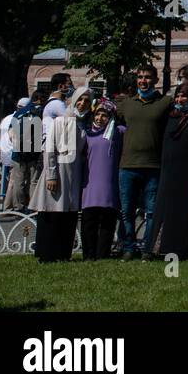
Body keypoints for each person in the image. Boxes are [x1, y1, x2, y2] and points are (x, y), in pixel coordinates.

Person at [114, 65, 173, 259]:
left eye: (147, 77)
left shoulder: (165, 103)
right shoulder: (126, 104)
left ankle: (148, 248)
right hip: (128, 165)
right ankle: (129, 247)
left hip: (153, 166)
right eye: (140, 77)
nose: (143, 81)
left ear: (155, 80)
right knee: (126, 211)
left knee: (151, 212)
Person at [147, 82, 188, 258]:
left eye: (184, 96)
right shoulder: (170, 117)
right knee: (164, 209)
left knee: (183, 211)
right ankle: (160, 247)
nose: (180, 99)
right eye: (178, 96)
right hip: (168, 170)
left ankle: (181, 248)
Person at [31, 86, 92, 263]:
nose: (82, 104)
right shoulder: (61, 121)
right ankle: (47, 254)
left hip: (74, 175)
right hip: (58, 171)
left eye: (86, 101)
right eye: (79, 100)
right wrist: (51, 174)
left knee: (68, 214)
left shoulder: (84, 124)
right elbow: (49, 149)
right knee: (52, 212)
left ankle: (63, 253)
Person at [79, 97, 123, 260]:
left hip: (109, 186)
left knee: (107, 224)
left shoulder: (118, 132)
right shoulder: (87, 133)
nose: (100, 118)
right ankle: (88, 255)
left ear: (110, 116)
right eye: (97, 114)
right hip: (89, 185)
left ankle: (102, 254)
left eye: (104, 115)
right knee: (89, 223)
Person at [6, 92, 46, 211]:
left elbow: (10, 132)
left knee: (19, 181)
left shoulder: (19, 112)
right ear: (39, 99)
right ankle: (33, 207)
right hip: (34, 152)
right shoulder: (41, 111)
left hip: (18, 152)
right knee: (34, 181)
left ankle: (19, 206)